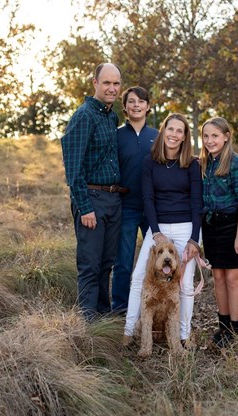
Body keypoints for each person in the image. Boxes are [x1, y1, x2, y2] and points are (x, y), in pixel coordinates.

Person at [124, 113, 203, 347]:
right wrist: (155, 232)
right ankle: (129, 332)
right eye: (171, 129)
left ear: (185, 136)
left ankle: (183, 336)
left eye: (180, 131)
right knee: (139, 276)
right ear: (163, 130)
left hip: (185, 227)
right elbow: (148, 198)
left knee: (185, 283)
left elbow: (197, 203)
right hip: (157, 228)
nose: (174, 135)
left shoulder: (192, 163)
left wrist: (194, 240)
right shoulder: (150, 161)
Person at [61, 63, 124, 320]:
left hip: (113, 199)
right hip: (92, 200)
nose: (112, 88)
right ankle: (87, 326)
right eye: (107, 83)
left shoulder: (111, 116)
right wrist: (85, 207)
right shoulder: (84, 115)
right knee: (90, 265)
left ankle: (102, 317)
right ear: (95, 83)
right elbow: (73, 170)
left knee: (106, 264)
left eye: (116, 84)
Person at [199, 116, 238, 348]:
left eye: (215, 136)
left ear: (226, 136)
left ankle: (236, 326)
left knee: (232, 278)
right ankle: (224, 326)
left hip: (232, 226)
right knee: (217, 277)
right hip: (211, 226)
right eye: (206, 136)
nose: (210, 140)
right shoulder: (203, 163)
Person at [111, 86, 159, 313]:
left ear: (148, 106)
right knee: (123, 262)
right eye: (131, 101)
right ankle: (120, 309)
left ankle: (155, 307)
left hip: (154, 209)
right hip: (127, 207)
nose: (136, 105)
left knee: (157, 261)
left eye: (141, 101)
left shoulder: (157, 137)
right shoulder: (117, 136)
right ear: (125, 107)